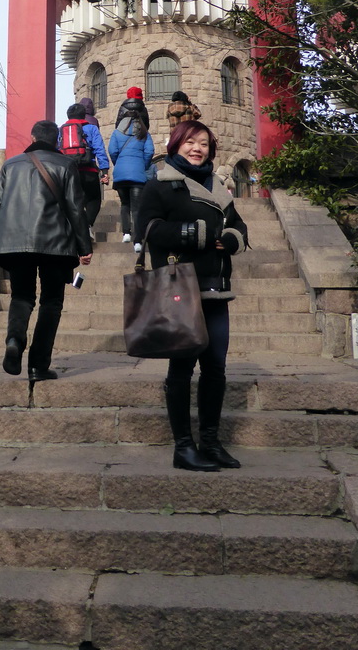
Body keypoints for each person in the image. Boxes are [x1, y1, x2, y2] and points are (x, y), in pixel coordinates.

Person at [136, 120, 248, 472]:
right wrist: (196, 234)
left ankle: (211, 443)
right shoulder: (159, 184)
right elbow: (147, 229)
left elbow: (239, 226)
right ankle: (183, 447)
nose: (197, 148)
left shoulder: (218, 186)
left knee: (216, 368)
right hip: (179, 288)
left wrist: (231, 238)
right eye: (190, 142)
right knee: (182, 367)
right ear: (176, 144)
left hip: (216, 288)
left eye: (203, 143)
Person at [0, 120, 92, 381]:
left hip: (14, 243)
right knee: (51, 302)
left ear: (32, 137)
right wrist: (84, 247)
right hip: (55, 244)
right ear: (57, 141)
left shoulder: (10, 165)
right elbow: (76, 209)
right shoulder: (66, 165)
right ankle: (38, 366)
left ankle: (14, 340)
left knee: (21, 297)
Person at [58, 103, 109, 240]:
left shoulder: (61, 129)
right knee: (94, 199)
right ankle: (87, 225)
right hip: (89, 171)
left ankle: (73, 229)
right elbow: (99, 150)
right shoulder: (91, 128)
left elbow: (57, 151)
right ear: (84, 115)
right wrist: (104, 170)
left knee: (73, 200)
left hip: (68, 172)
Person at [108, 108, 154, 251]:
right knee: (137, 207)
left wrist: (119, 163)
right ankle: (138, 241)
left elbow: (112, 151)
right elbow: (149, 151)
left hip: (121, 174)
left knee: (124, 204)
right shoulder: (144, 133)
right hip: (137, 175)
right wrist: (143, 165)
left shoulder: (116, 133)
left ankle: (126, 233)